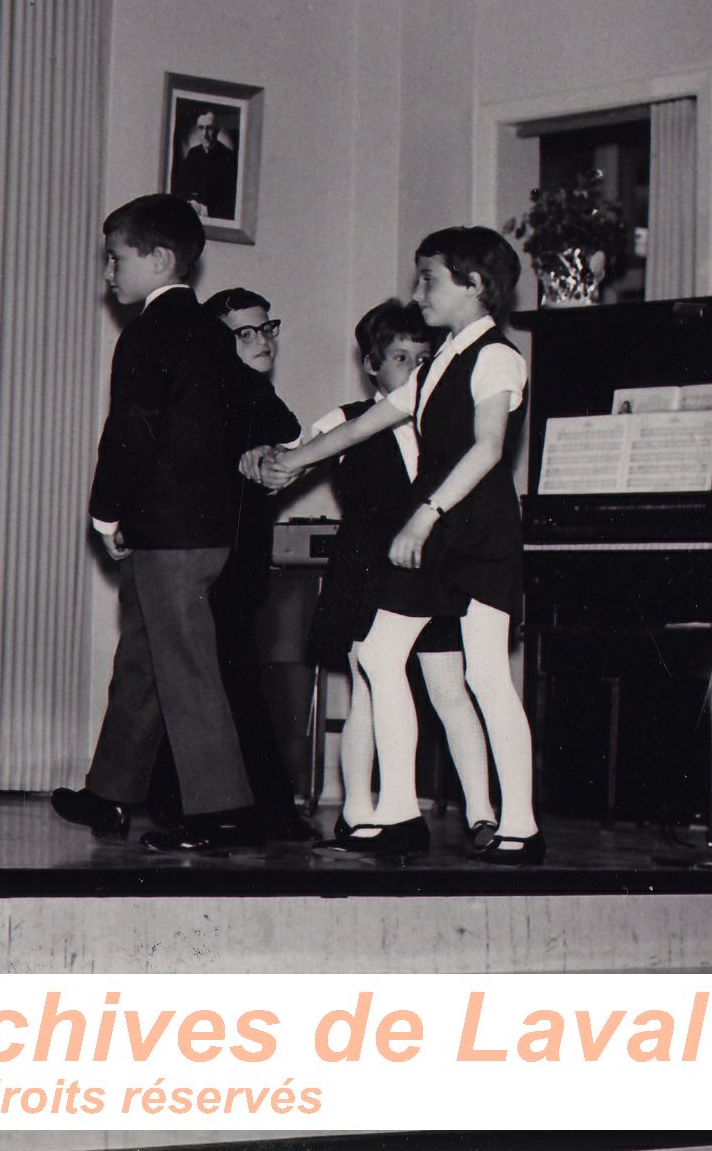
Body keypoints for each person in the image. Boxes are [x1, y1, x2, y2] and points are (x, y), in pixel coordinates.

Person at [262, 227, 540, 864]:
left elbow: (489, 448)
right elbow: (371, 421)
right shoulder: (442, 357)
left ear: (474, 287)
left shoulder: (497, 357)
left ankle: (519, 823)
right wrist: (291, 461)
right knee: (382, 656)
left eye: (430, 281)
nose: (418, 294)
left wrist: (426, 513)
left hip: (475, 531)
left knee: (487, 675)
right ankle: (398, 812)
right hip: (439, 525)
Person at [49, 194, 259, 855]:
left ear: (159, 258)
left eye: (116, 258)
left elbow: (128, 436)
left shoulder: (146, 334)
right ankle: (109, 792)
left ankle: (220, 811)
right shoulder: (210, 334)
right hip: (204, 527)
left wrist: (107, 509)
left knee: (183, 666)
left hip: (166, 530)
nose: (108, 272)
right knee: (143, 657)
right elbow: (252, 418)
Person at [288, 300, 492, 850]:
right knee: (368, 690)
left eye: (425, 359)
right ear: (373, 365)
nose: (415, 370)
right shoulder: (347, 418)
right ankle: (358, 812)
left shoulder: (444, 422)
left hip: (428, 568)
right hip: (364, 568)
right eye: (402, 358)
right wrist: (270, 460)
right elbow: (295, 457)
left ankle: (483, 815)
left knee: (451, 689)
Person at [194, 286, 311, 841]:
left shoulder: (251, 393)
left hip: (238, 566)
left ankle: (252, 809)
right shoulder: (233, 390)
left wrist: (273, 457)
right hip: (214, 564)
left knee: (229, 683)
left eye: (267, 328)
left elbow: (292, 443)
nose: (263, 340)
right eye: (246, 332)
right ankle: (261, 810)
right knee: (225, 684)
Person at [170, 108, 239, 222]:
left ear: (217, 130)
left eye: (209, 128)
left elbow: (230, 201)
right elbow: (180, 188)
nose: (205, 134)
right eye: (201, 128)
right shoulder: (193, 154)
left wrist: (205, 210)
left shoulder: (230, 158)